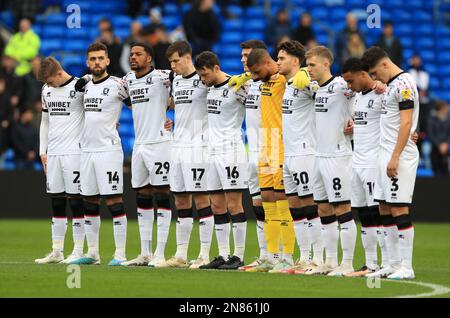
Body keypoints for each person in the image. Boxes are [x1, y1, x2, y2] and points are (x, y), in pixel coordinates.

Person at [362, 46, 419, 280]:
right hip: (383, 154)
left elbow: (406, 123)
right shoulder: (391, 86)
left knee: (399, 208)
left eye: (375, 73)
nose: (375, 78)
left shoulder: (404, 84)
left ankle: (407, 266)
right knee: (384, 207)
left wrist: (395, 155)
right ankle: (392, 263)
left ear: (385, 65)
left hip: (399, 155)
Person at [70, 42, 129, 266]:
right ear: (88, 62)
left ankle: (121, 255)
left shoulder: (117, 85)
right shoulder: (84, 86)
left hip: (108, 150)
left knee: (114, 200)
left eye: (100, 58)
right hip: (87, 151)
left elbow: (140, 105)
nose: (97, 62)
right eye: (93, 59)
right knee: (90, 201)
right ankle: (93, 253)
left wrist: (163, 118)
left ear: (107, 61)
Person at [302, 46, 357, 276]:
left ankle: (348, 262)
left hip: (337, 156)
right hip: (318, 156)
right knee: (323, 208)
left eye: (312, 65)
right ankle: (330, 261)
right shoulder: (316, 88)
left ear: (326, 64)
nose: (309, 70)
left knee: (342, 208)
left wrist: (354, 118)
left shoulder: (342, 86)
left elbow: (366, 91)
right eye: (307, 65)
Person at [194, 51, 249, 270]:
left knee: (234, 203)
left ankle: (239, 256)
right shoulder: (208, 89)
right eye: (199, 74)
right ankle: (224, 255)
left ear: (216, 68)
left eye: (204, 73)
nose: (202, 78)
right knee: (216, 204)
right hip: (212, 152)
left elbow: (258, 106)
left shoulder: (237, 87)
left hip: (231, 152)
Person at [120, 42, 173, 268]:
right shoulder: (127, 81)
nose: (133, 58)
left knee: (162, 193)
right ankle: (145, 253)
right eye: (131, 54)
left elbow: (190, 82)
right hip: (140, 145)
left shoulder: (164, 77)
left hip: (160, 143)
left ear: (149, 58)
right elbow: (123, 100)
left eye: (138, 54)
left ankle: (160, 253)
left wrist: (169, 108)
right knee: (142, 195)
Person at [244, 48, 296, 273]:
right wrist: (246, 75)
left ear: (268, 61)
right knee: (267, 200)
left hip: (281, 145)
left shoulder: (287, 80)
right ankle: (272, 256)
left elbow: (303, 75)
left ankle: (288, 256)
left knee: (282, 202)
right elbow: (250, 76)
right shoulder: (261, 79)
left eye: (257, 71)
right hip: (265, 145)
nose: (254, 76)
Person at [164, 40, 214, 269]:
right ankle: (181, 254)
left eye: (176, 60)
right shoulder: (175, 81)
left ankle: (204, 254)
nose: (173, 65)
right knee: (181, 200)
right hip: (177, 146)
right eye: (170, 62)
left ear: (187, 57)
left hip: (198, 147)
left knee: (201, 199)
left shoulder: (203, 80)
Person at [276, 40, 324, 274]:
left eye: (282, 58)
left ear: (296, 61)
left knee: (310, 205)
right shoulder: (287, 84)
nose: (277, 62)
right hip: (290, 153)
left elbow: (330, 91)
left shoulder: (305, 81)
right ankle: (304, 257)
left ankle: (318, 257)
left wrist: (309, 74)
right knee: (295, 207)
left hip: (306, 152)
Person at [34, 57, 86, 264]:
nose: (47, 85)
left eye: (49, 80)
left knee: (76, 201)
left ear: (59, 73)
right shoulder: (46, 91)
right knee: (56, 201)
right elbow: (45, 122)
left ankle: (79, 250)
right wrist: (42, 151)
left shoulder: (80, 86)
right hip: (53, 153)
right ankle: (57, 251)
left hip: (74, 153)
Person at [341, 57, 388, 276]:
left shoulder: (382, 93)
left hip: (373, 163)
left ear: (363, 74)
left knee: (378, 213)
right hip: (356, 161)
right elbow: (363, 122)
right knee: (364, 214)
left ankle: (387, 263)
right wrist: (354, 127)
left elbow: (399, 118)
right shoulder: (357, 96)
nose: (349, 86)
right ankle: (371, 264)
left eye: (351, 81)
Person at [230, 39, 268, 271]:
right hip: (252, 152)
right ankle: (265, 255)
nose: (244, 60)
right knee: (258, 206)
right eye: (242, 56)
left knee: (284, 206)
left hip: (273, 150)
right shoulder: (245, 84)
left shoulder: (278, 80)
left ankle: (289, 254)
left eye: (248, 56)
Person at [427, 101, 450, 176]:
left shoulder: (448, 119)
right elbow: (431, 135)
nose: (446, 110)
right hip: (435, 149)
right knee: (435, 172)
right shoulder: (431, 119)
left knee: (445, 171)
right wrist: (439, 145)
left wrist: (446, 144)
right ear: (440, 109)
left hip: (445, 149)